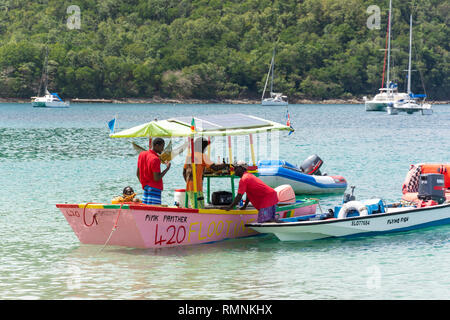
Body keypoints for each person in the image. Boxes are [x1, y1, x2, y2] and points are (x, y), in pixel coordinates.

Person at [183, 137, 228, 208]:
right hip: (197, 187)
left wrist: (188, 182)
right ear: (203, 147)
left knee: (194, 205)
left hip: (189, 186)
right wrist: (225, 165)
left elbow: (184, 172)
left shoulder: (189, 155)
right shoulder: (203, 156)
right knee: (199, 207)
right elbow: (215, 168)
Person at [137, 137, 171, 205]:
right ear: (157, 145)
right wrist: (167, 169)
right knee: (154, 212)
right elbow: (156, 178)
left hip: (146, 188)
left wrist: (144, 183)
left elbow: (138, 174)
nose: (163, 149)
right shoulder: (155, 159)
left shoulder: (142, 154)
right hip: (155, 189)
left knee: (146, 211)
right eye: (162, 146)